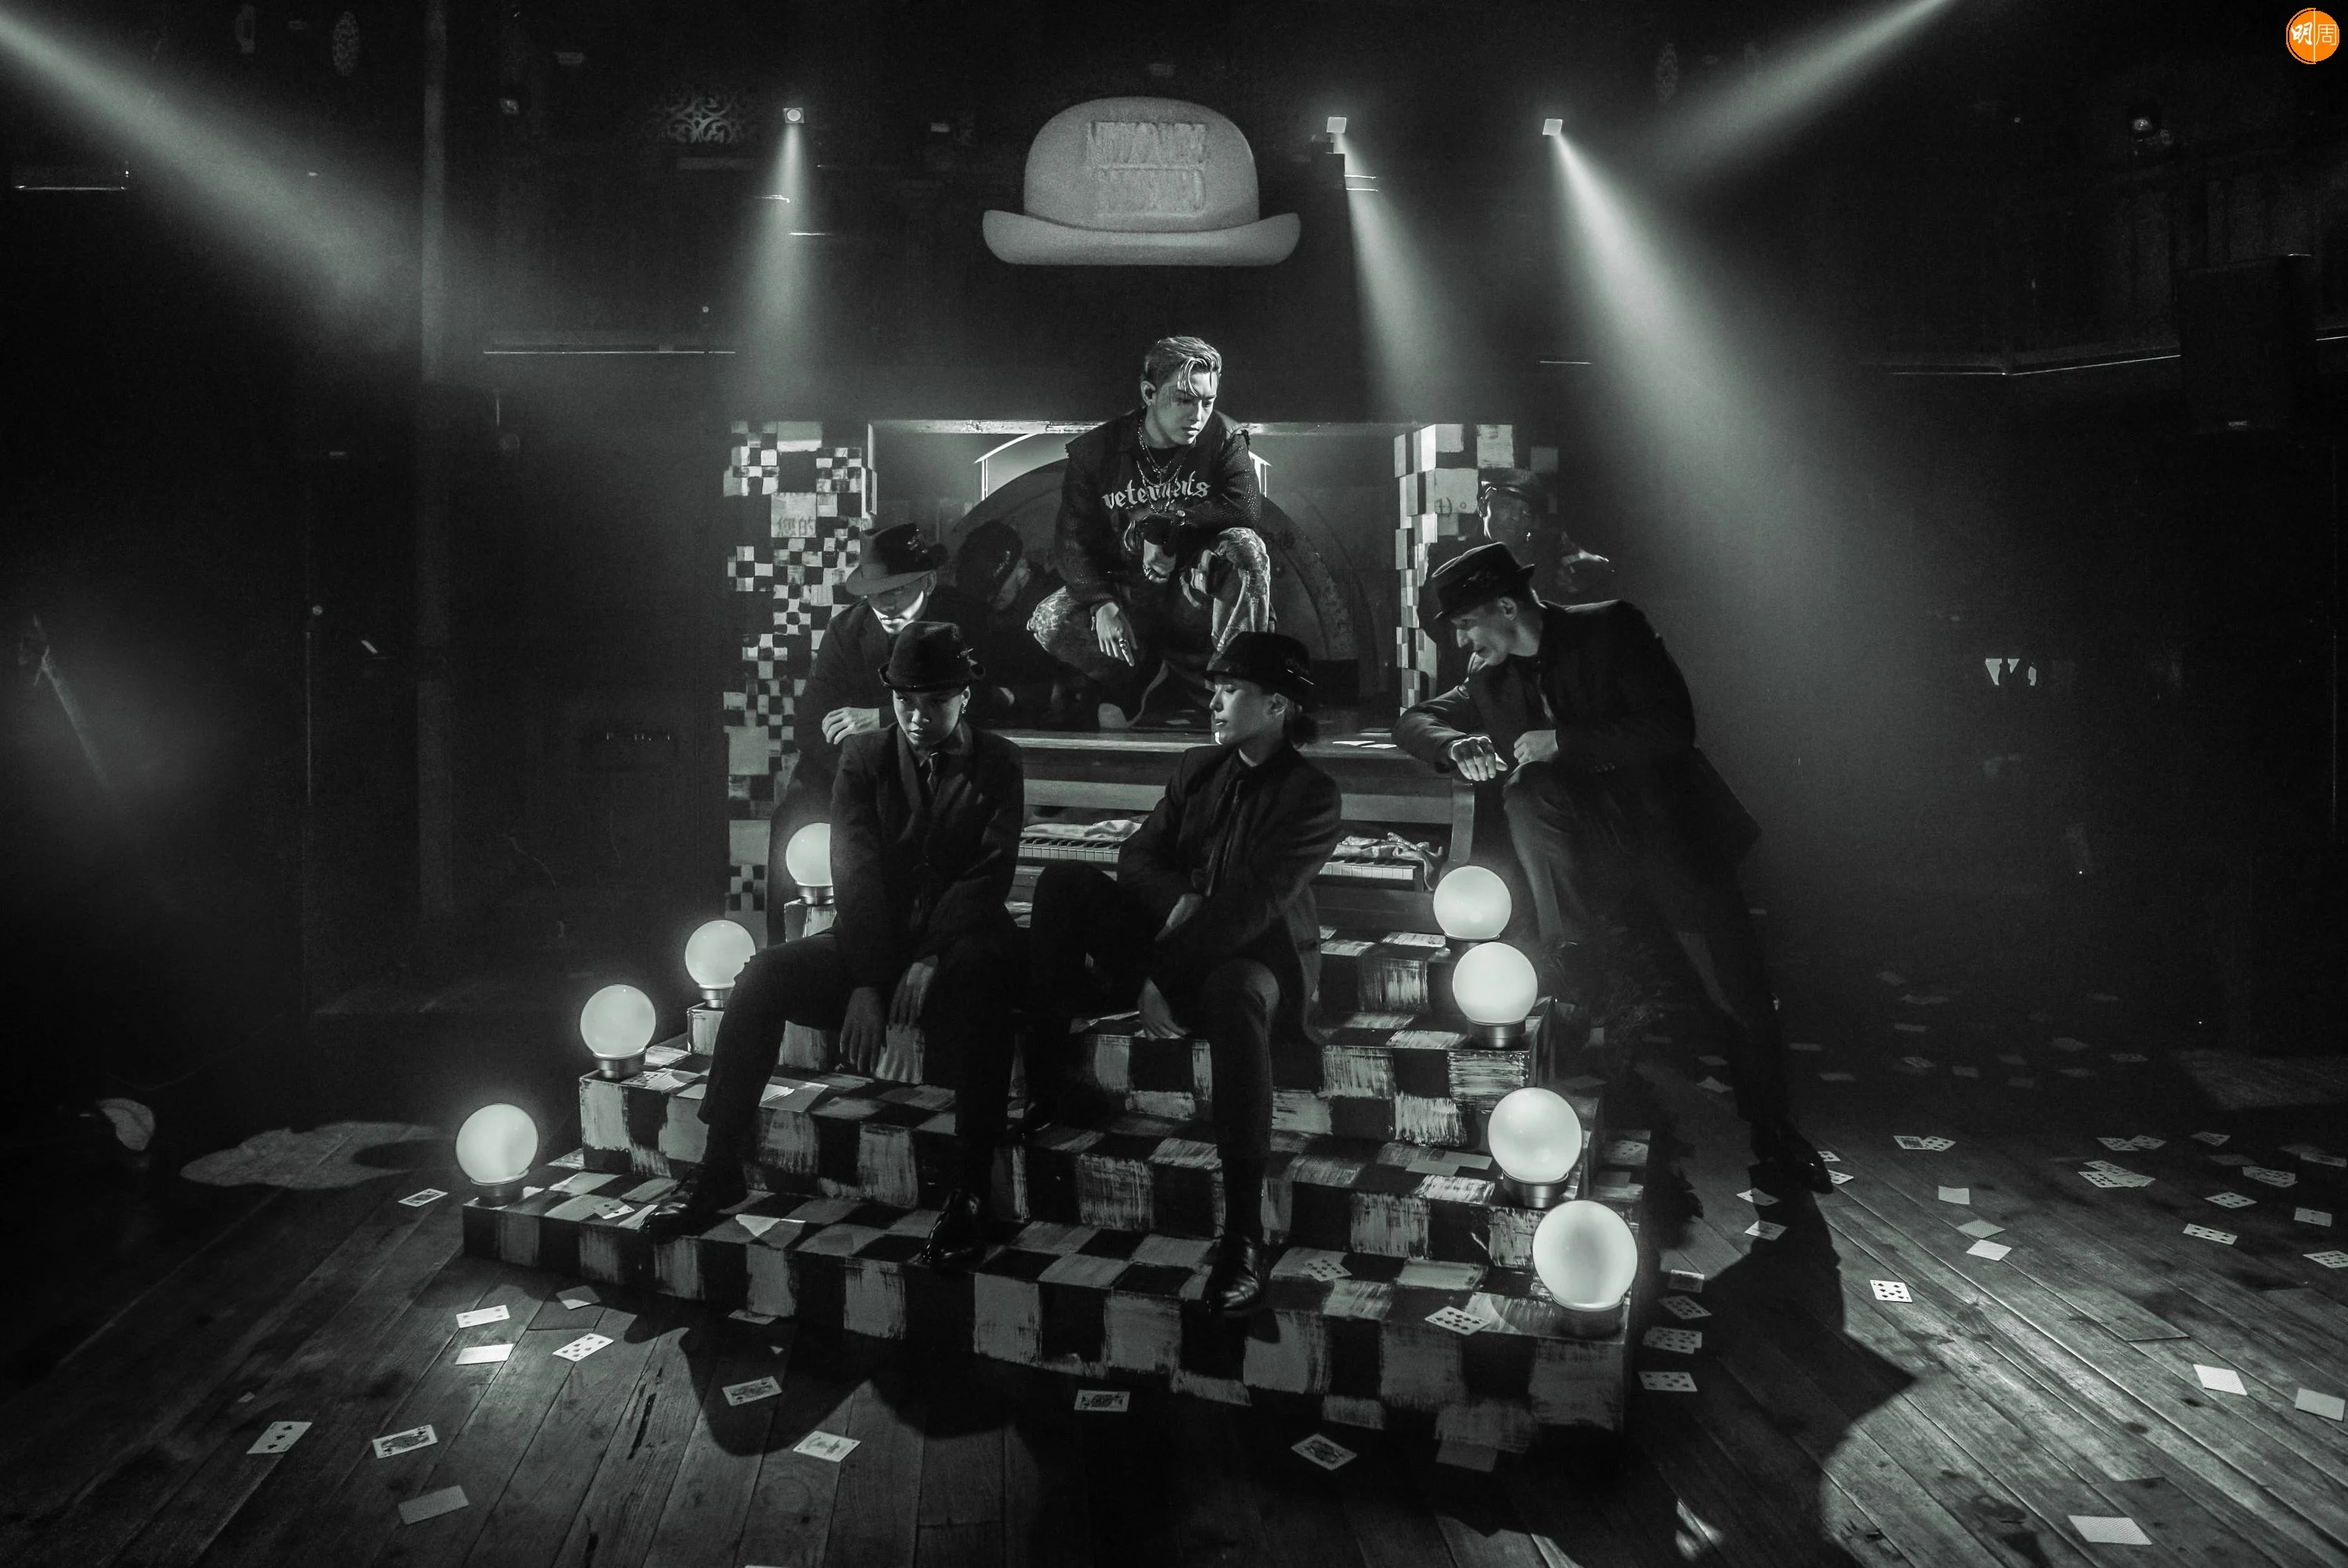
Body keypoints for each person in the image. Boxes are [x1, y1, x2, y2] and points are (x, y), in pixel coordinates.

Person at [1392, 542, 1831, 1193]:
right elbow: (1415, 720)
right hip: (1589, 872)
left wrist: (1564, 742)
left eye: (1465, 625)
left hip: (1672, 847)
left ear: (1505, 607)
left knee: (1737, 994)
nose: (1463, 643)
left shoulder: (1611, 628)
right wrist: (1454, 744)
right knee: (1527, 790)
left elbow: (1672, 726)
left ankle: (1776, 1134)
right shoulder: (1488, 678)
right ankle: (1571, 953)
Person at [645, 622, 1025, 1240]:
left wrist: (930, 955)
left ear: (964, 697)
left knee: (986, 975)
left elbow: (988, 876)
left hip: (959, 942)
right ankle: (719, 1165)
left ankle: (972, 1187)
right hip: (874, 941)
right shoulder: (865, 757)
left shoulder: (1000, 761)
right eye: (905, 700)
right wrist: (869, 981)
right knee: (763, 974)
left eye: (935, 701)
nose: (918, 716)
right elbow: (856, 870)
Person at [1012, 632, 1342, 1311]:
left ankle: (1244, 1235)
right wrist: (1176, 900)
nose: (1213, 703)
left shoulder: (1311, 795)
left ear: (1277, 705)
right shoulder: (1197, 767)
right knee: (1064, 882)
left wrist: (1158, 975)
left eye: (1231, 691)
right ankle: (1052, 1082)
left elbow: (1249, 909)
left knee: (1234, 988)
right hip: (1174, 941)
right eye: (1214, 689)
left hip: (1253, 960)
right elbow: (1137, 858)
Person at [1028, 335, 1274, 728]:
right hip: (1129, 593)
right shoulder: (1097, 451)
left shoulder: (1224, 436)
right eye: (1184, 400)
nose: (1197, 415)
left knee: (1246, 546)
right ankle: (1138, 677)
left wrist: (1172, 525)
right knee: (1049, 620)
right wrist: (1101, 603)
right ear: (1149, 393)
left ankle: (1234, 686)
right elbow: (1071, 544)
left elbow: (1245, 509)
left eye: (1207, 402)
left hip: (1194, 593)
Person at [770, 523, 995, 935]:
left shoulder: (963, 619)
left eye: (898, 591)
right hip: (855, 769)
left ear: (928, 582)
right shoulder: (846, 630)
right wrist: (860, 778)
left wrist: (881, 717)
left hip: (936, 767)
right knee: (794, 813)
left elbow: (981, 704)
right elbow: (811, 723)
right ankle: (789, 947)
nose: (886, 604)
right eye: (876, 594)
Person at [952, 520, 1065, 727]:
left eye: (997, 587)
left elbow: (1073, 690)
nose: (990, 597)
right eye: (984, 590)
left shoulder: (1058, 606)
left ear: (1021, 566)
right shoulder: (977, 611)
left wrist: (1014, 696)